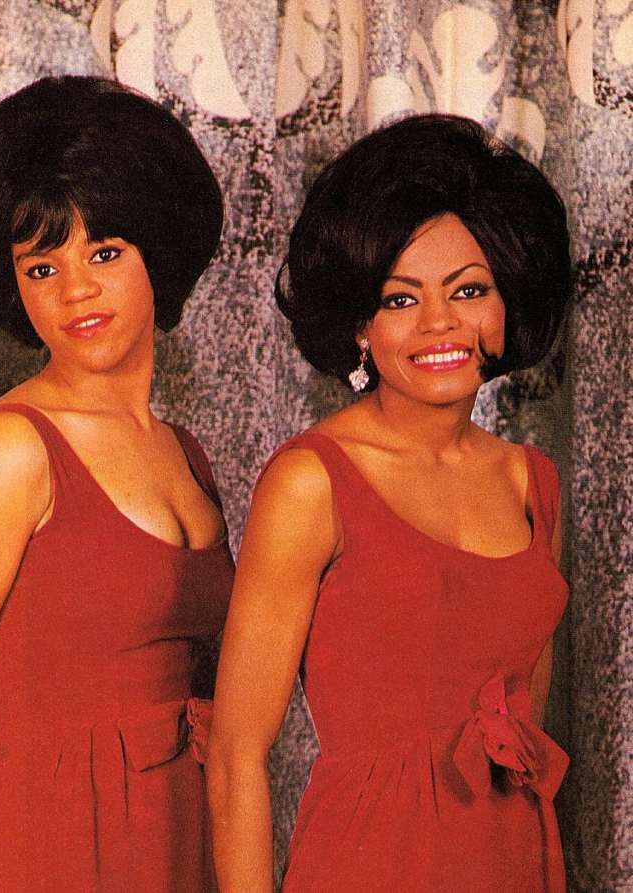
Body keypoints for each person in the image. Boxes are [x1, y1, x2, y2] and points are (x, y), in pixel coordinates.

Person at [206, 114, 572, 892]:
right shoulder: (311, 482)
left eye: (469, 290)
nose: (440, 324)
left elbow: (524, 720)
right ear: (360, 329)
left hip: (515, 858)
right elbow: (238, 752)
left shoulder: (531, 481)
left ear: (508, 303)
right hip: (370, 861)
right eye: (401, 300)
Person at [0, 75, 232, 893]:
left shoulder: (185, 453)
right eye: (43, 266)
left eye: (103, 253)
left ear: (159, 249)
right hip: (43, 844)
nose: (75, 289)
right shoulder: (10, 450)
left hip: (178, 835)